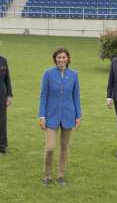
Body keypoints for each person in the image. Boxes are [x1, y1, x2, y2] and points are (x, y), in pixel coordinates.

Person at [38, 47, 81, 186]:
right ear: (55, 59)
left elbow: (76, 97)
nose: (61, 60)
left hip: (69, 115)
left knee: (65, 146)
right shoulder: (48, 74)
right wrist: (42, 116)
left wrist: (78, 115)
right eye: (59, 57)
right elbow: (43, 96)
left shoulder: (74, 75)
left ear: (68, 59)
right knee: (50, 147)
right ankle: (47, 175)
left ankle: (61, 175)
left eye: (64, 57)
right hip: (51, 116)